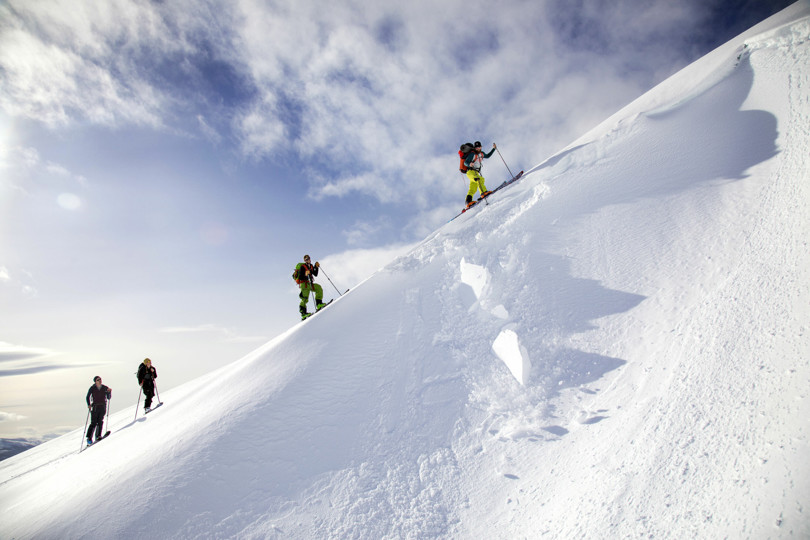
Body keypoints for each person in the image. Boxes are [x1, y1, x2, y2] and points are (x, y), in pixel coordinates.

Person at [463, 141, 497, 208]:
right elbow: (465, 163)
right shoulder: (472, 154)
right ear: (474, 148)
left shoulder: (482, 154)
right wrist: (469, 164)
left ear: (481, 147)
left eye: (479, 147)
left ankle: (468, 201)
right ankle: (483, 192)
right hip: (470, 172)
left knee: (473, 188)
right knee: (479, 179)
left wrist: (494, 149)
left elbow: (488, 155)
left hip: (475, 172)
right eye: (476, 147)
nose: (478, 148)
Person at [293, 254, 327, 319]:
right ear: (304, 260)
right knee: (305, 298)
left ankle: (319, 304)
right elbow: (300, 277)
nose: (308, 260)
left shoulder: (310, 266)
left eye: (308, 258)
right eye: (306, 259)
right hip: (304, 284)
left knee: (318, 288)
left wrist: (316, 267)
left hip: (309, 283)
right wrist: (305, 274)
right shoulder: (303, 267)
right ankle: (303, 313)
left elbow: (315, 274)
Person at [85, 376, 111, 445]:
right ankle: (89, 438)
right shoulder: (92, 388)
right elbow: (87, 396)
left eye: (100, 379)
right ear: (95, 381)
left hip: (102, 406)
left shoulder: (104, 387)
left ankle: (98, 435)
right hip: (95, 407)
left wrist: (109, 392)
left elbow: (108, 397)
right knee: (93, 422)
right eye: (98, 380)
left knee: (100, 421)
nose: (100, 381)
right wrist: (89, 404)